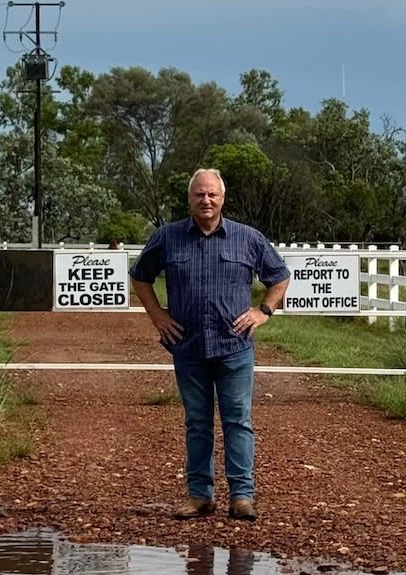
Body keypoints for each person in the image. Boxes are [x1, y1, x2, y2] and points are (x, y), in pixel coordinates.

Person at [129, 168, 290, 522]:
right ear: (189, 199)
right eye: (199, 194)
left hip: (234, 346)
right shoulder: (167, 238)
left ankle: (242, 497)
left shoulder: (248, 238)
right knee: (197, 423)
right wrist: (157, 316)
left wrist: (263, 311)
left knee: (238, 421)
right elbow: (140, 276)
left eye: (212, 195)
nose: (206, 200)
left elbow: (279, 276)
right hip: (188, 347)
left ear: (222, 198)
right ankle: (200, 495)